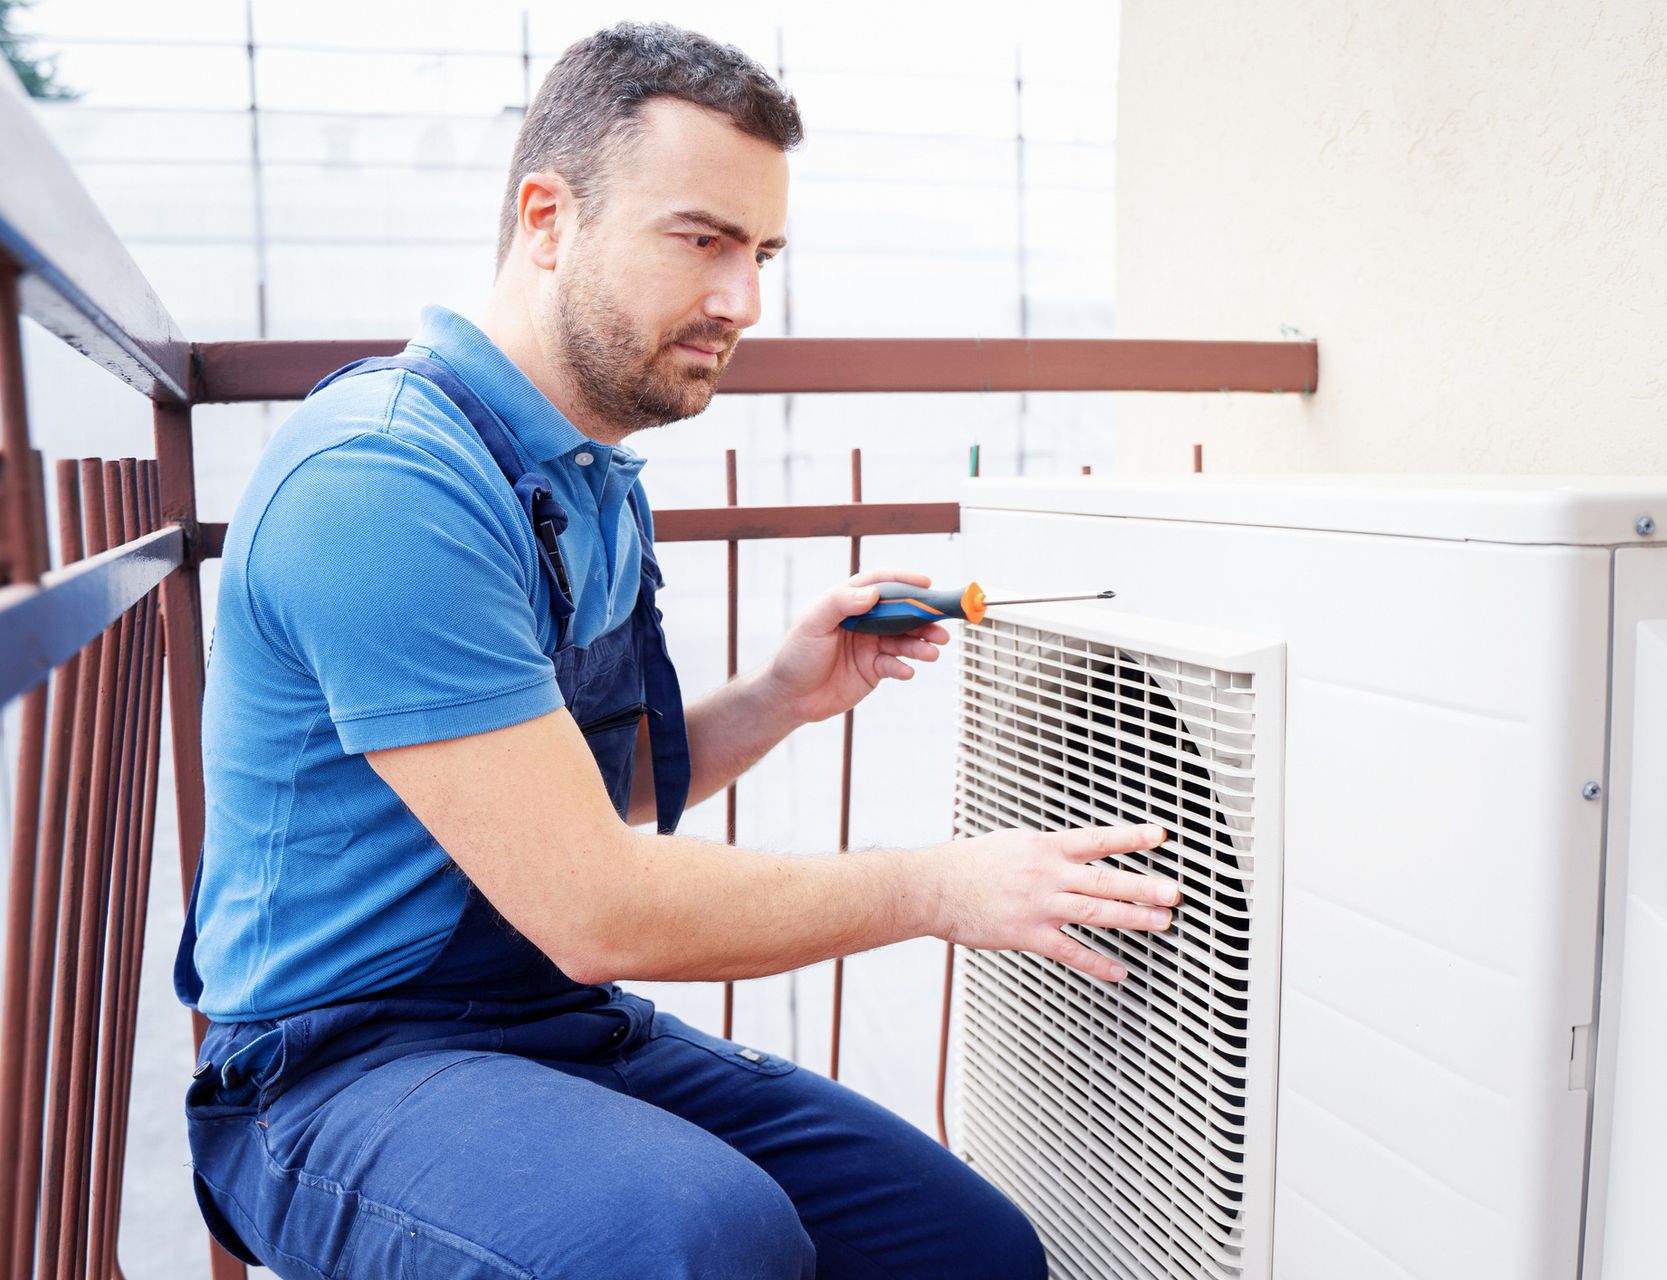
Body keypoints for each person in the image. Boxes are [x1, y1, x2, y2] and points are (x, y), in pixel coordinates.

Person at [176, 22, 1179, 1280]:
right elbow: (591, 902)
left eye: (760, 253)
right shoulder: (384, 482)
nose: (743, 301)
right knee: (700, 1237)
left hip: (545, 1020)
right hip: (335, 1068)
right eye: (702, 239)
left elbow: (585, 806)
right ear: (548, 218)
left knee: (964, 1245)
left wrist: (777, 698)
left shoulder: (588, 479)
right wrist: (938, 886)